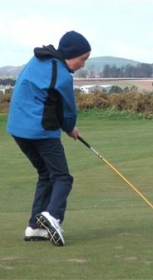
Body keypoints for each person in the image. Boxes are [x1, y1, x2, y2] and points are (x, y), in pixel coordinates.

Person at [6, 31, 91, 246]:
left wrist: (67, 126)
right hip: (40, 130)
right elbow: (68, 108)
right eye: (82, 59)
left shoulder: (37, 61)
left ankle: (35, 227)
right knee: (63, 177)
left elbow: (45, 97)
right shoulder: (61, 73)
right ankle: (53, 216)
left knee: (46, 174)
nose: (83, 64)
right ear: (71, 54)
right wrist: (70, 127)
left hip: (18, 129)